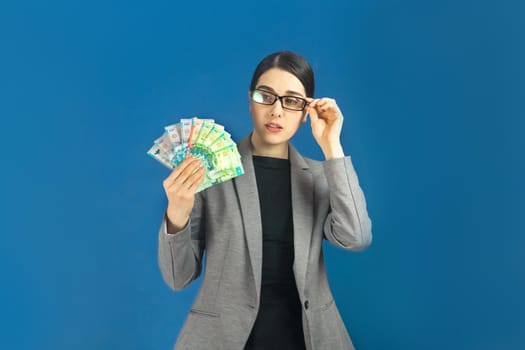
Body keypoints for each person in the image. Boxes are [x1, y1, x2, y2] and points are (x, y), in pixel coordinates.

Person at [157, 51, 373, 350]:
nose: (276, 111)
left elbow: (356, 237)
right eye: (266, 96)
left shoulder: (318, 177)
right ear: (250, 100)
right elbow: (178, 277)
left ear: (306, 110)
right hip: (225, 339)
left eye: (292, 100)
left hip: (306, 338)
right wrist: (176, 215)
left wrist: (332, 146)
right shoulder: (212, 171)